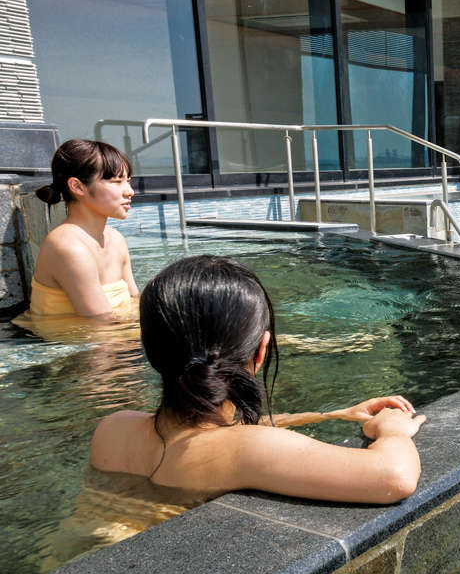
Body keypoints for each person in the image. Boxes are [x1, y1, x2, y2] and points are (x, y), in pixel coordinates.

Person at [90, 255, 425, 505]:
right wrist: (393, 430)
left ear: (151, 349)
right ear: (261, 350)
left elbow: (216, 430)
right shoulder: (249, 450)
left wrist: (330, 415)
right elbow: (395, 477)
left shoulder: (113, 429)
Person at [24, 139, 138, 320]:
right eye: (117, 182)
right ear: (77, 187)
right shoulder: (68, 246)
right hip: (70, 338)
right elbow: (100, 324)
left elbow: (135, 301)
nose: (130, 191)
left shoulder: (115, 239)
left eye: (128, 181)